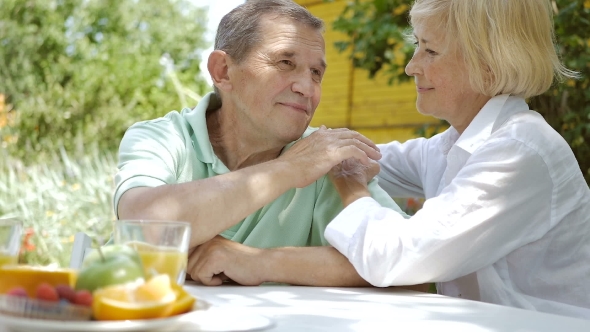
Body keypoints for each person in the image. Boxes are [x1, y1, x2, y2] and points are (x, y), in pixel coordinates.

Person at [323, 0, 590, 319]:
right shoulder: (457, 144)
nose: (411, 66)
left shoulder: (520, 150)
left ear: (489, 65)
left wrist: (351, 186)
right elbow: (360, 154)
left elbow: (394, 258)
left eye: (430, 51)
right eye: (416, 46)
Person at [113, 0, 406, 286]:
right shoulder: (165, 137)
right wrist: (289, 169)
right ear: (223, 71)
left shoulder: (325, 156)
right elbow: (142, 226)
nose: (306, 88)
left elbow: (405, 264)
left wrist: (258, 261)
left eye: (316, 73)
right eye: (285, 63)